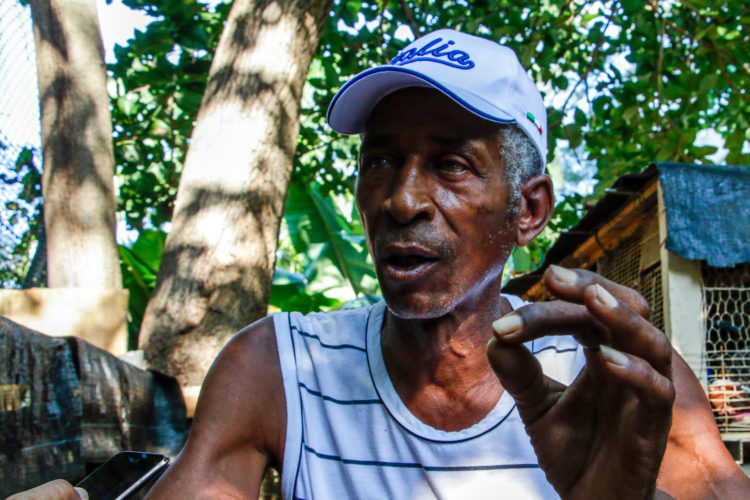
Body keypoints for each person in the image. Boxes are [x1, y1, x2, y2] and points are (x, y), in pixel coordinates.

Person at [14, 29, 750, 499]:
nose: (401, 199)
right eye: (382, 161)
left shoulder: (618, 384)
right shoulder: (279, 368)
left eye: (452, 164)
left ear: (528, 209)